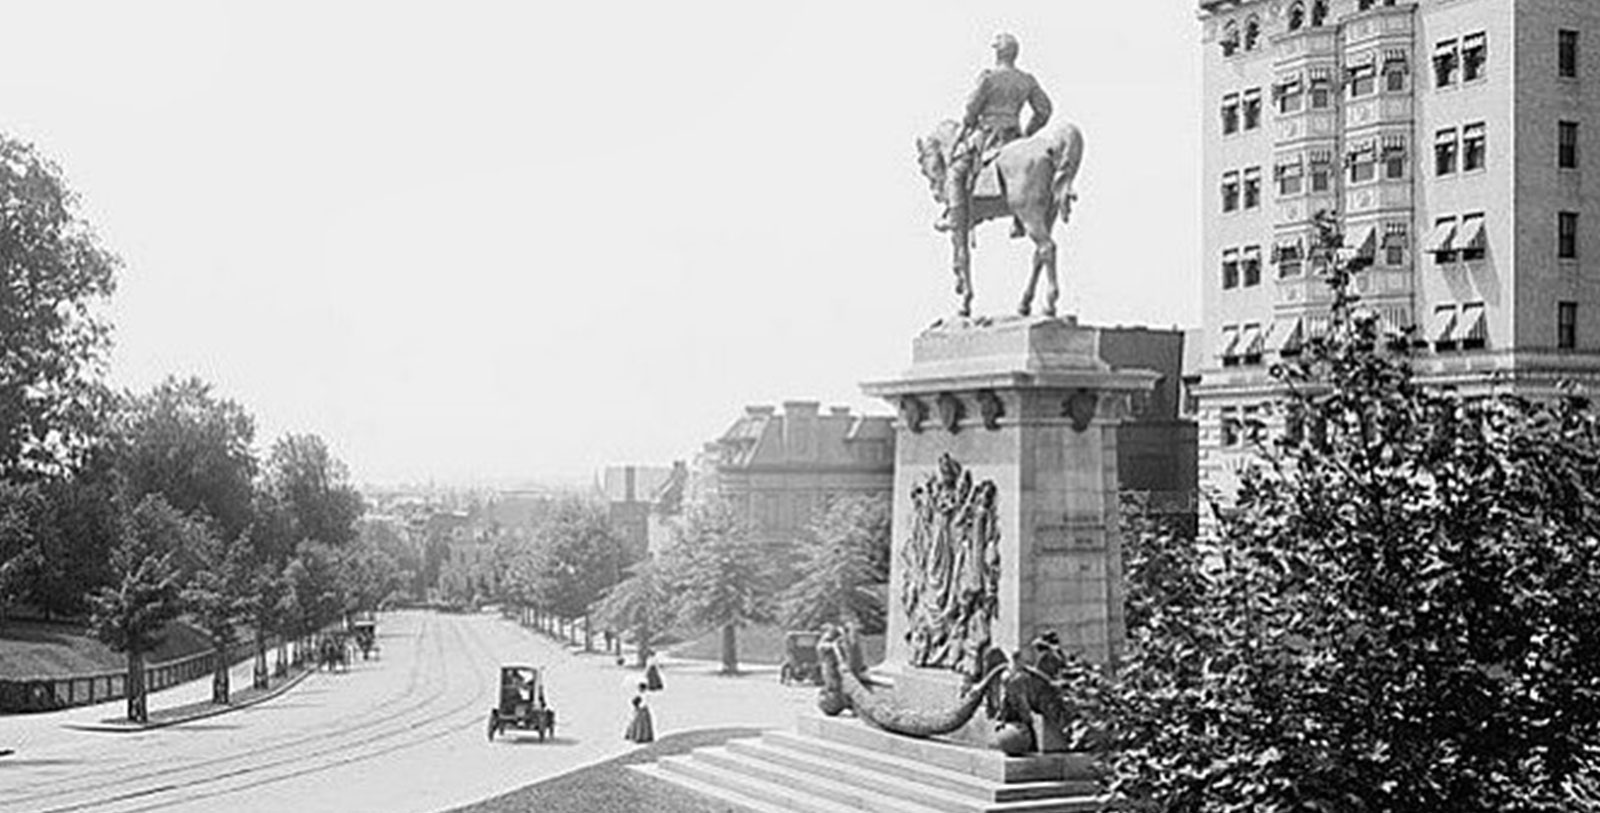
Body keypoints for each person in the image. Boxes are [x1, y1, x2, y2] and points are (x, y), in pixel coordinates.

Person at [936, 32, 1055, 235]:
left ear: (998, 53)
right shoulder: (1026, 80)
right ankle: (1020, 218)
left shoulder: (989, 78)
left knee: (956, 170)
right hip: (1014, 136)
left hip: (988, 136)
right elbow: (1044, 111)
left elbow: (972, 108)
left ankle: (954, 217)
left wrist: (968, 122)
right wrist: (1027, 134)